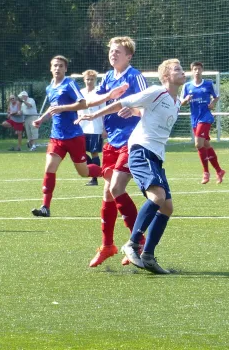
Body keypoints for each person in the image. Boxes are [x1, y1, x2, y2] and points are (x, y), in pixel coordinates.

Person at [76, 58, 185, 274]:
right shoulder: (156, 91)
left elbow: (143, 112)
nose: (183, 72)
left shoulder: (176, 101)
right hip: (141, 149)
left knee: (167, 207)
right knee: (157, 197)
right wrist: (95, 115)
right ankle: (133, 244)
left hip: (156, 155)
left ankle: (148, 256)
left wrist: (136, 112)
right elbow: (122, 103)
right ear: (165, 77)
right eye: (177, 69)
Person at [31, 55, 128, 218]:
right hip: (57, 137)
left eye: (61, 66)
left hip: (74, 136)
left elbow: (82, 103)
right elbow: (53, 107)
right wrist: (41, 119)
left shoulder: (69, 84)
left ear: (65, 69)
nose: (57, 68)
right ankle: (45, 207)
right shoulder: (50, 87)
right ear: (50, 68)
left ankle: (107, 172)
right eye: (55, 65)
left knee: (83, 172)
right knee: (49, 168)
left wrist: (63, 108)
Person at [81, 36, 148, 268]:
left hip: (132, 141)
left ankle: (138, 242)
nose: (113, 54)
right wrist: (108, 96)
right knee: (108, 194)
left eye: (118, 51)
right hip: (112, 142)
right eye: (111, 50)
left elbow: (148, 105)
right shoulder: (108, 77)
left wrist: (135, 110)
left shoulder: (135, 76)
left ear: (129, 56)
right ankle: (108, 245)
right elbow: (92, 100)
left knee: (115, 187)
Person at [180, 61, 225, 184]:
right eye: (195, 69)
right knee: (205, 145)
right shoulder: (187, 86)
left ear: (202, 70)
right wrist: (186, 99)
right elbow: (181, 102)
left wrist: (212, 103)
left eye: (199, 69)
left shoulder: (208, 84)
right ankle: (219, 171)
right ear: (192, 71)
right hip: (195, 118)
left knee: (198, 144)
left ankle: (206, 173)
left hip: (205, 117)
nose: (197, 71)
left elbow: (217, 96)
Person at [78, 70, 106, 186]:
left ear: (95, 80)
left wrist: (104, 128)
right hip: (82, 128)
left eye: (92, 79)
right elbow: (78, 109)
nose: (89, 81)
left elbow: (104, 111)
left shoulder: (98, 93)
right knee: (80, 152)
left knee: (94, 152)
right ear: (84, 80)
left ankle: (94, 179)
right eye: (87, 79)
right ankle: (97, 172)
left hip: (95, 127)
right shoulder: (81, 92)